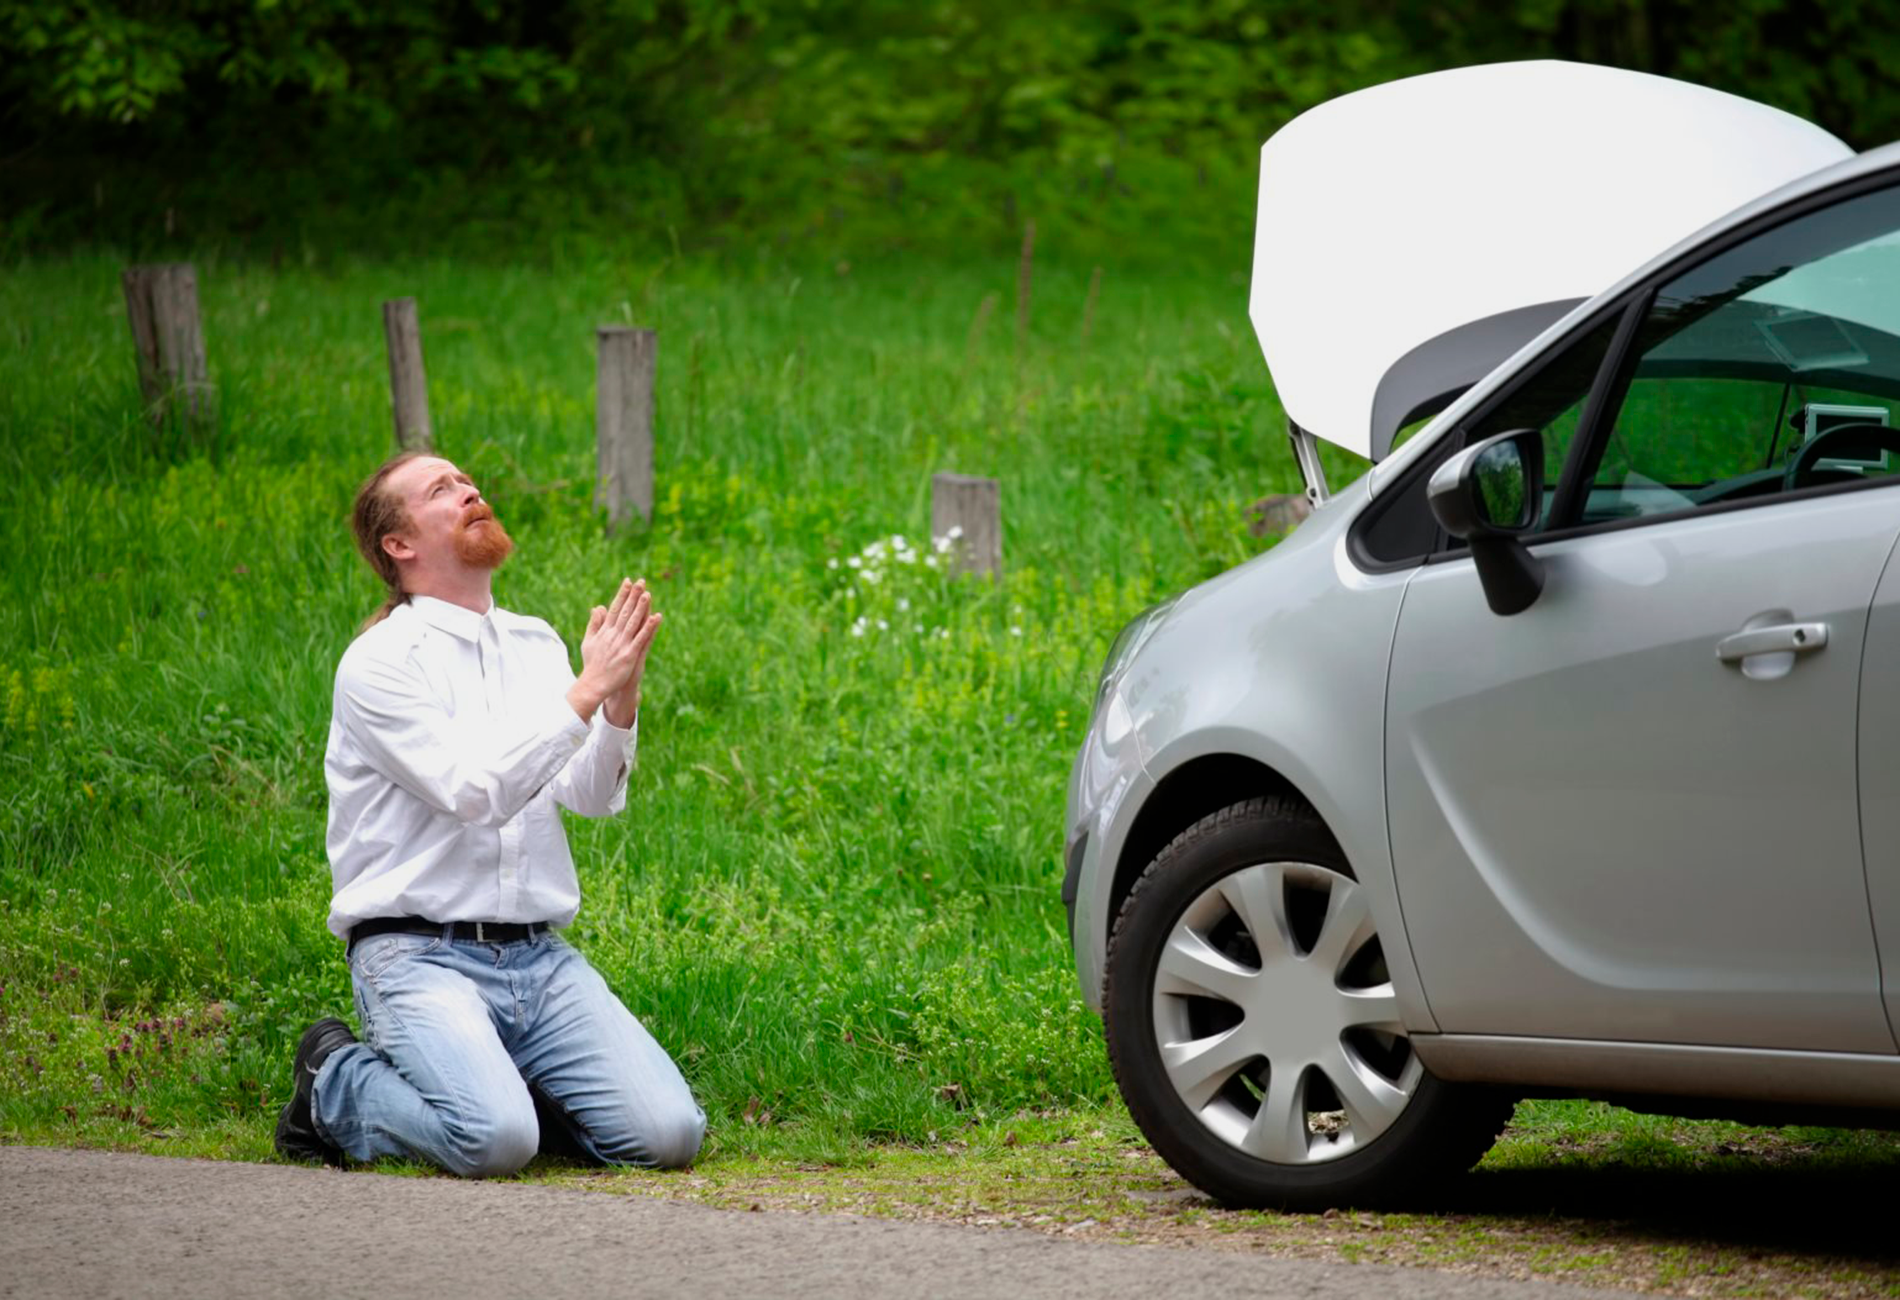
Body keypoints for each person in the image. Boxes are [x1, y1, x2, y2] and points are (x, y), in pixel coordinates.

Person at [274, 450, 705, 1177]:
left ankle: (510, 1087)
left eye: (467, 481)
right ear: (399, 544)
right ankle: (334, 1083)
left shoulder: (533, 642)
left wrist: (619, 696)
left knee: (670, 1136)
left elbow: (591, 795)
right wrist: (584, 691)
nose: (469, 490)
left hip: (538, 957)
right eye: (441, 490)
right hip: (414, 955)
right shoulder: (380, 663)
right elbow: (474, 794)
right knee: (493, 1141)